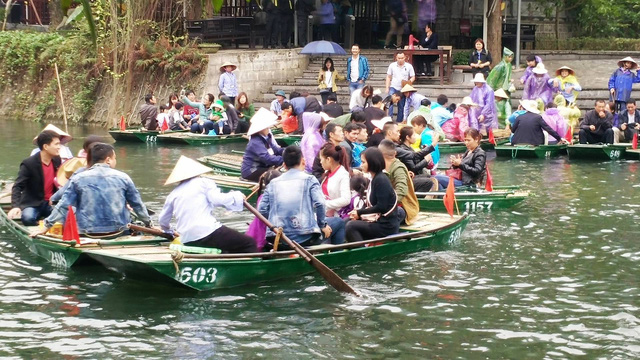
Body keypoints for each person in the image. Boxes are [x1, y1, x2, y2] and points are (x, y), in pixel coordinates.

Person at [31, 143, 150, 236]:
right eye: (115, 158)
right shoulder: (124, 178)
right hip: (119, 231)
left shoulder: (78, 178)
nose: (115, 161)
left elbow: (63, 206)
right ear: (108, 160)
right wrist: (148, 224)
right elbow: (138, 205)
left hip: (87, 232)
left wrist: (45, 227)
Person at [159, 156, 256, 253]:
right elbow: (217, 199)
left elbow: (162, 220)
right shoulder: (203, 182)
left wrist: (169, 231)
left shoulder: (173, 194)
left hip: (187, 239)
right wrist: (237, 195)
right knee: (249, 243)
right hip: (207, 232)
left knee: (228, 244)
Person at [259, 146, 336, 248]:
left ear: (284, 165)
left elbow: (262, 209)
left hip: (277, 237)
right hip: (305, 237)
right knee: (338, 223)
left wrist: (276, 224)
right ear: (303, 161)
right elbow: (320, 203)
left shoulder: (273, 183)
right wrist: (322, 225)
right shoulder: (310, 179)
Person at [346, 148, 400, 242]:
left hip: (386, 226)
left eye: (363, 162)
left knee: (351, 226)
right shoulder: (375, 178)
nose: (361, 165)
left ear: (372, 162)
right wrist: (358, 213)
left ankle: (362, 253)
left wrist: (359, 212)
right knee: (346, 221)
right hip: (378, 220)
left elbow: (381, 207)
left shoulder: (381, 180)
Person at [9, 130, 62, 226]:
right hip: (33, 203)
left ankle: (47, 223)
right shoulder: (29, 163)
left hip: (50, 203)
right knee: (28, 218)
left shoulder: (57, 160)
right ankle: (42, 226)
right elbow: (17, 186)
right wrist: (15, 206)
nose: (59, 147)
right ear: (45, 146)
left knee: (65, 216)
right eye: (56, 144)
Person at [379, 139, 420, 225]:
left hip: (403, 207)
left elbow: (401, 190)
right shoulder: (380, 167)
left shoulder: (398, 168)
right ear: (395, 153)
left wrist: (386, 205)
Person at [318, 144, 349, 244]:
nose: (320, 162)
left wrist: (325, 203)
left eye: (321, 159)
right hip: (325, 214)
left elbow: (346, 199)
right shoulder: (327, 173)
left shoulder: (343, 174)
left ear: (328, 159)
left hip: (337, 215)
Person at [241, 109, 283, 181]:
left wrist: (289, 153)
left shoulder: (266, 138)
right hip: (252, 171)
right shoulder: (256, 142)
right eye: (267, 127)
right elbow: (266, 158)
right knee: (277, 176)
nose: (269, 129)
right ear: (261, 129)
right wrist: (284, 159)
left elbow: (276, 150)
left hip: (262, 166)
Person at [396, 126, 437, 192]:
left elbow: (416, 158)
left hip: (415, 175)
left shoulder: (409, 148)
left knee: (430, 177)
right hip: (411, 176)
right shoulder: (404, 150)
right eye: (414, 135)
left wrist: (424, 156)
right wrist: (425, 160)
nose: (416, 137)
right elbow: (414, 168)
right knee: (429, 181)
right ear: (407, 137)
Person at [386, 52, 415, 123]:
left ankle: (399, 121)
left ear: (405, 58)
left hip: (403, 88)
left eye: (402, 58)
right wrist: (387, 87)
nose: (400, 60)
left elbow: (413, 76)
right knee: (389, 103)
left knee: (401, 105)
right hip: (393, 86)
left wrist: (408, 82)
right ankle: (389, 119)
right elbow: (388, 76)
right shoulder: (392, 65)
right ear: (396, 58)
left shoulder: (409, 66)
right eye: (399, 58)